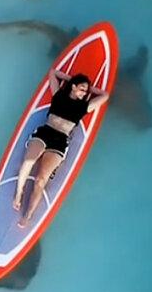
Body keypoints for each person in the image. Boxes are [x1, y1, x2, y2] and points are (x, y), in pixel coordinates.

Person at [12, 69, 109, 226]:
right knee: (28, 161)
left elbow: (105, 96)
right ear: (73, 87)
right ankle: (19, 193)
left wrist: (89, 89)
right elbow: (52, 73)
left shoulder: (83, 107)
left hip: (60, 141)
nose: (84, 93)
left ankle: (28, 214)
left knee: (41, 179)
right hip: (45, 132)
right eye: (82, 89)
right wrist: (72, 80)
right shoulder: (58, 95)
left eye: (86, 91)